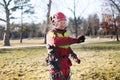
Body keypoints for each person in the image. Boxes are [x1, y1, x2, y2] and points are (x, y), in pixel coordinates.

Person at [46, 12, 85, 80]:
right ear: (54, 23)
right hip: (56, 65)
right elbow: (56, 41)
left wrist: (74, 57)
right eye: (60, 22)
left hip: (66, 64)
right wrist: (75, 40)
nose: (62, 24)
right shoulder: (50, 34)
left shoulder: (65, 34)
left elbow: (67, 48)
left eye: (64, 22)